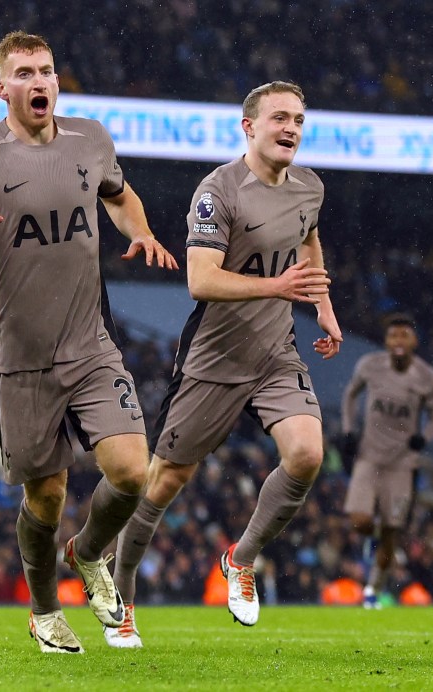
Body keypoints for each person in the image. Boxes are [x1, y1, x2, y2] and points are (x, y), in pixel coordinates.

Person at [0, 31, 178, 654]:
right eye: (25, 73)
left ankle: (88, 555)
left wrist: (140, 231)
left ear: (59, 81)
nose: (39, 82)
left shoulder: (91, 139)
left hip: (91, 344)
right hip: (22, 355)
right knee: (48, 493)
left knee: (132, 472)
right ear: (1, 87)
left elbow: (120, 195)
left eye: (48, 71)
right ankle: (42, 610)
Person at [107, 81, 342, 648]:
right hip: (214, 358)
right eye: (280, 117)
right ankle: (120, 600)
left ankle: (242, 559)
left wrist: (323, 306)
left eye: (299, 120)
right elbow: (200, 280)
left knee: (308, 455)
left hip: (275, 353)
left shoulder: (309, 187)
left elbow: (309, 241)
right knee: (165, 482)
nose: (291, 128)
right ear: (249, 126)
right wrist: (278, 285)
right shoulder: (218, 191)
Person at [340, 313, 433, 608]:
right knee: (359, 520)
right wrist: (348, 430)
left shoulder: (426, 376)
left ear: (414, 341)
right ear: (386, 340)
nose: (398, 341)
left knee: (390, 532)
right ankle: (375, 540)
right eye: (393, 335)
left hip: (401, 465)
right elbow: (349, 395)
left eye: (404, 336)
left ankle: (374, 588)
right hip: (369, 457)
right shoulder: (370, 365)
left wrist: (424, 437)